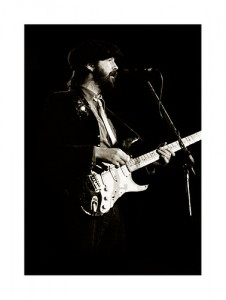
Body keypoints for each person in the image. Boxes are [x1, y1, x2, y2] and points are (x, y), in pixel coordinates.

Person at [38, 39, 175, 274]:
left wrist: (153, 161)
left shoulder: (106, 109)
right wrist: (99, 152)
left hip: (111, 202)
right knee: (80, 272)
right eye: (109, 60)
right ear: (90, 65)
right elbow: (45, 153)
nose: (116, 67)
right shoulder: (60, 101)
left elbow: (121, 160)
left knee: (114, 270)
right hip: (79, 202)